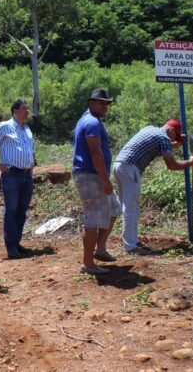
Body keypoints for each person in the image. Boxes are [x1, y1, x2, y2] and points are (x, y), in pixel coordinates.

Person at [114, 120, 193, 254]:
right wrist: (190, 162)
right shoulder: (164, 137)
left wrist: (178, 143)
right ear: (171, 130)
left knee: (127, 206)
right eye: (174, 136)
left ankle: (131, 241)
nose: (173, 139)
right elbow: (171, 165)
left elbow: (162, 148)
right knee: (131, 207)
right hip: (130, 168)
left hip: (119, 165)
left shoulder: (150, 129)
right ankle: (131, 246)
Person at [72, 89, 122, 275]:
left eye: (107, 103)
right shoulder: (91, 123)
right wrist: (105, 179)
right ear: (91, 102)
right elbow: (95, 153)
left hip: (93, 175)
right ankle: (88, 263)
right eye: (101, 103)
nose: (105, 106)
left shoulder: (91, 120)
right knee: (93, 219)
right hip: (91, 176)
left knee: (115, 209)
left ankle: (99, 249)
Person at [0, 99, 36, 259]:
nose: (27, 111)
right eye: (24, 109)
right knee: (11, 211)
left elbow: (30, 150)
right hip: (12, 174)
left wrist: (32, 167)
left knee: (21, 211)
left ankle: (17, 242)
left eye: (28, 109)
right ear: (15, 111)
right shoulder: (5, 126)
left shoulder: (27, 128)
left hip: (27, 175)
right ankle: (11, 247)